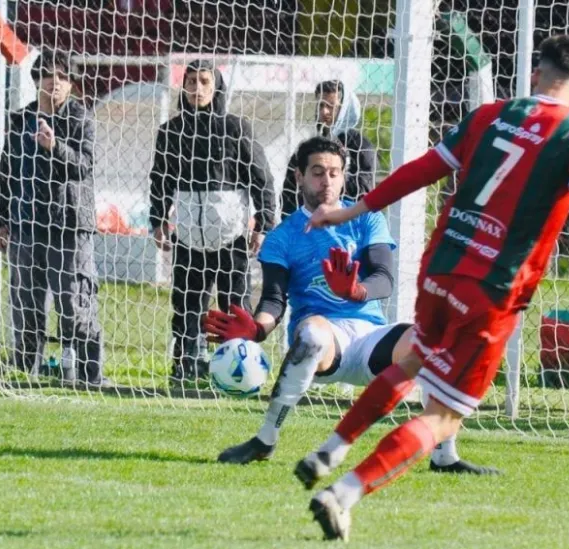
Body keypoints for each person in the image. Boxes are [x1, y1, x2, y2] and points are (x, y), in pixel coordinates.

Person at [296, 35, 569, 541]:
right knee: (443, 417)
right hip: (492, 289)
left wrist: (351, 209)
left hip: (440, 269)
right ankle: (343, 493)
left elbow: (423, 169)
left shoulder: (488, 115)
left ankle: (329, 450)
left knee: (414, 360)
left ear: (535, 75)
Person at [205, 136, 496, 475]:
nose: (326, 181)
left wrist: (356, 291)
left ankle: (445, 456)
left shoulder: (366, 220)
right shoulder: (282, 237)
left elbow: (384, 279)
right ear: (299, 176)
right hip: (325, 342)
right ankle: (265, 440)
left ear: (344, 176)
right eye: (317, 172)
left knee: (434, 341)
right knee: (312, 334)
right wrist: (258, 329)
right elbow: (273, 299)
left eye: (334, 173)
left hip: (371, 338)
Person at [149, 60, 277, 383]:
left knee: (235, 307)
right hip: (188, 236)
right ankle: (186, 366)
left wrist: (264, 224)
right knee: (186, 306)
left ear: (216, 87)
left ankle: (237, 371)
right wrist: (158, 219)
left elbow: (262, 179)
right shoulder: (170, 132)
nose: (197, 88)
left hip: (231, 237)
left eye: (204, 81)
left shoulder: (236, 128)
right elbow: (160, 180)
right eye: (191, 81)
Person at [0, 50, 104, 387]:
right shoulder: (20, 120)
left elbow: (84, 166)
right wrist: (1, 220)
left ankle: (89, 374)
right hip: (26, 225)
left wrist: (55, 147)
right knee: (25, 302)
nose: (56, 82)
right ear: (37, 79)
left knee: (75, 302)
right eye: (49, 75)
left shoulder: (81, 118)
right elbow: (7, 172)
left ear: (72, 83)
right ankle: (26, 371)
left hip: (69, 225)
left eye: (64, 76)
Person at [280, 80, 376, 219]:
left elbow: (364, 190)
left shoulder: (360, 146)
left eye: (331, 106)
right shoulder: (308, 148)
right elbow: (289, 192)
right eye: (321, 105)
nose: (324, 111)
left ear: (345, 109)